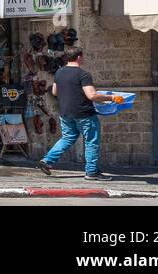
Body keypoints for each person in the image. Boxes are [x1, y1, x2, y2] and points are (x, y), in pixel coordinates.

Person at [36, 48, 118, 181]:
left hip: (65, 113)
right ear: (79, 57)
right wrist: (112, 98)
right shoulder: (83, 74)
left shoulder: (59, 72)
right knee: (92, 141)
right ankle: (91, 172)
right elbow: (92, 95)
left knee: (68, 138)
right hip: (84, 113)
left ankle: (47, 160)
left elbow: (55, 92)